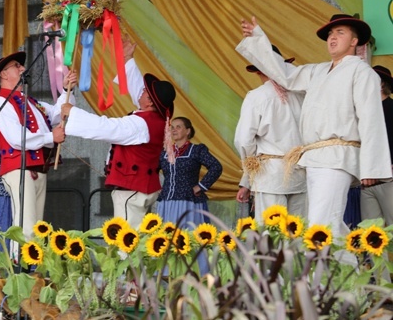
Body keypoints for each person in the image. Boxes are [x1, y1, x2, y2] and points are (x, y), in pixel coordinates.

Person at [237, 14, 391, 238]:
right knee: (329, 224)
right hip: (313, 157)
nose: (332, 38)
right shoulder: (317, 71)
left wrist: (372, 167)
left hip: (338, 155)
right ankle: (351, 270)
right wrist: (258, 38)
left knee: (321, 223)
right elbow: (284, 74)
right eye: (330, 34)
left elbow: (371, 119)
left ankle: (324, 272)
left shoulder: (363, 72)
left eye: (340, 32)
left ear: (354, 41)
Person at [62, 39, 176, 229]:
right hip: (143, 187)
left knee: (126, 241)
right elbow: (137, 87)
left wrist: (72, 112)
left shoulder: (141, 123)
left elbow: (106, 127)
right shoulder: (154, 118)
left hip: (131, 189)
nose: (140, 92)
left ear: (148, 102)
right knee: (139, 240)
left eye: (145, 92)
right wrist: (127, 59)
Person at [0, 51, 75, 246]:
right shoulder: (1, 103)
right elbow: (16, 138)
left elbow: (57, 114)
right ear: (4, 74)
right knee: (25, 222)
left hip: (36, 169)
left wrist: (67, 90)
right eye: (17, 66)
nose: (23, 69)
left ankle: (31, 267)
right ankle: (22, 268)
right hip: (19, 169)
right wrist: (51, 136)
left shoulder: (30, 102)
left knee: (35, 224)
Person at [234, 45, 307, 223]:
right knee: (298, 233)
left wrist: (249, 175)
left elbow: (243, 140)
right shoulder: (302, 95)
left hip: (270, 176)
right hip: (301, 174)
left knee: (271, 235)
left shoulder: (257, 97)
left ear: (259, 71)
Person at [157, 117, 222, 226]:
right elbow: (152, 170)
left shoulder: (196, 150)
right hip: (166, 202)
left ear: (188, 131)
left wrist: (201, 186)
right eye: (172, 127)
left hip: (188, 201)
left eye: (178, 127)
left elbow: (216, 167)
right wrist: (158, 188)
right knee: (166, 238)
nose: (174, 130)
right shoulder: (164, 153)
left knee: (187, 237)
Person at [359, 65, 393, 226]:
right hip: (367, 182)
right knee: (372, 236)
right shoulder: (363, 112)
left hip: (389, 181)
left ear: (380, 84)